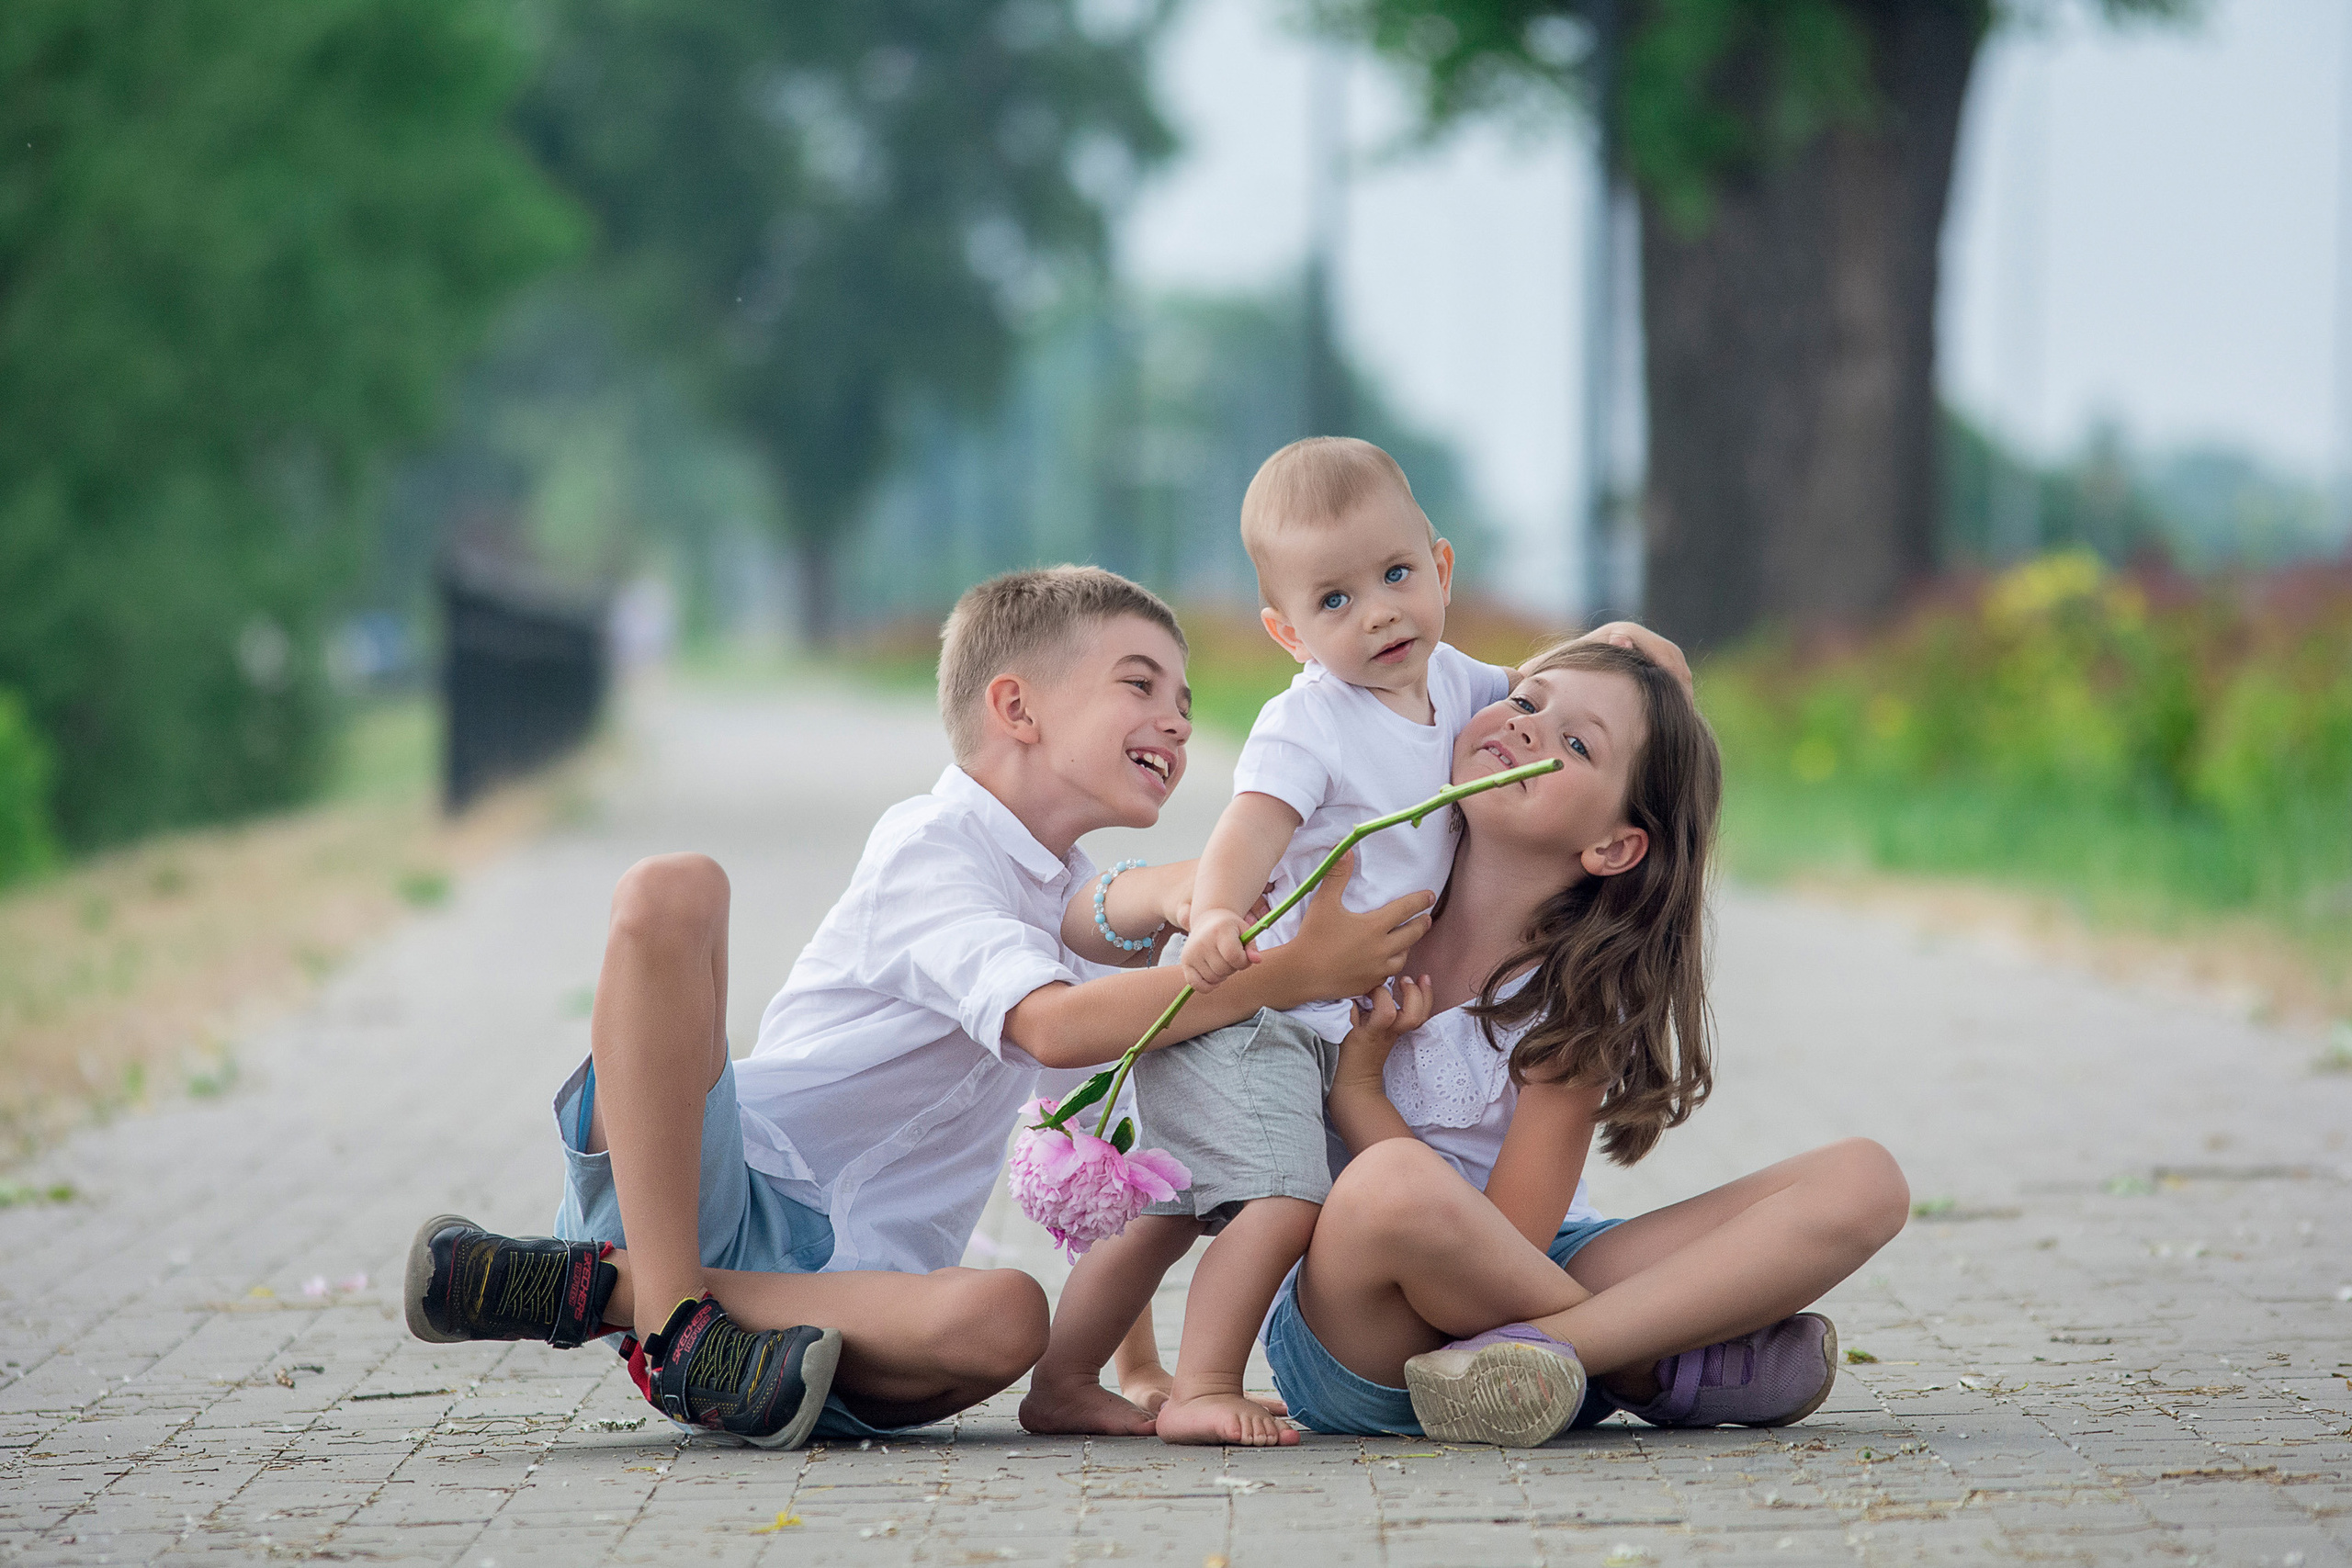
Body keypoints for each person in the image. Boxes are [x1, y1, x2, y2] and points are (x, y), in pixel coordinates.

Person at [401, 566, 1429, 1448]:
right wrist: (1290, 975)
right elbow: (1051, 1027)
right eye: (1140, 684)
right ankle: (668, 1314)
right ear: (1017, 709)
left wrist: (1137, 1366)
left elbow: (1113, 1148)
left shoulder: (1059, 889)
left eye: (1187, 698)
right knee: (674, 888)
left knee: (1006, 1316)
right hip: (707, 1188)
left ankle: (601, 1292)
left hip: (836, 1320)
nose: (1177, 716)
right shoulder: (929, 848)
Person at [1021, 437, 1690, 1447]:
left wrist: (1635, 642)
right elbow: (1249, 824)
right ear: (1287, 631)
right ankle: (1203, 1383)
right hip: (1257, 1005)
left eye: (1394, 576)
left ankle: (1070, 1380)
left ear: (1441, 568)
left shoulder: (1462, 684)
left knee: (1176, 1204)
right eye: (1333, 603)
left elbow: (1570, 702)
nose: (1377, 613)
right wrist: (1213, 916)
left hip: (1311, 1018)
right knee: (1280, 1202)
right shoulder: (1312, 722)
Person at [1268, 637, 1911, 1446]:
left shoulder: (1569, 1004)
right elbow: (1386, 651)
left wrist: (1360, 1094)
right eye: (1527, 703)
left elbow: (1510, 1236)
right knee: (1390, 1186)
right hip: (1362, 1330)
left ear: (1613, 846)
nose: (1528, 729)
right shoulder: (1363, 902)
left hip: (1526, 1269)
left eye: (1577, 745)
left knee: (1867, 1180)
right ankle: (1649, 1360)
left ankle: (1567, 1354)